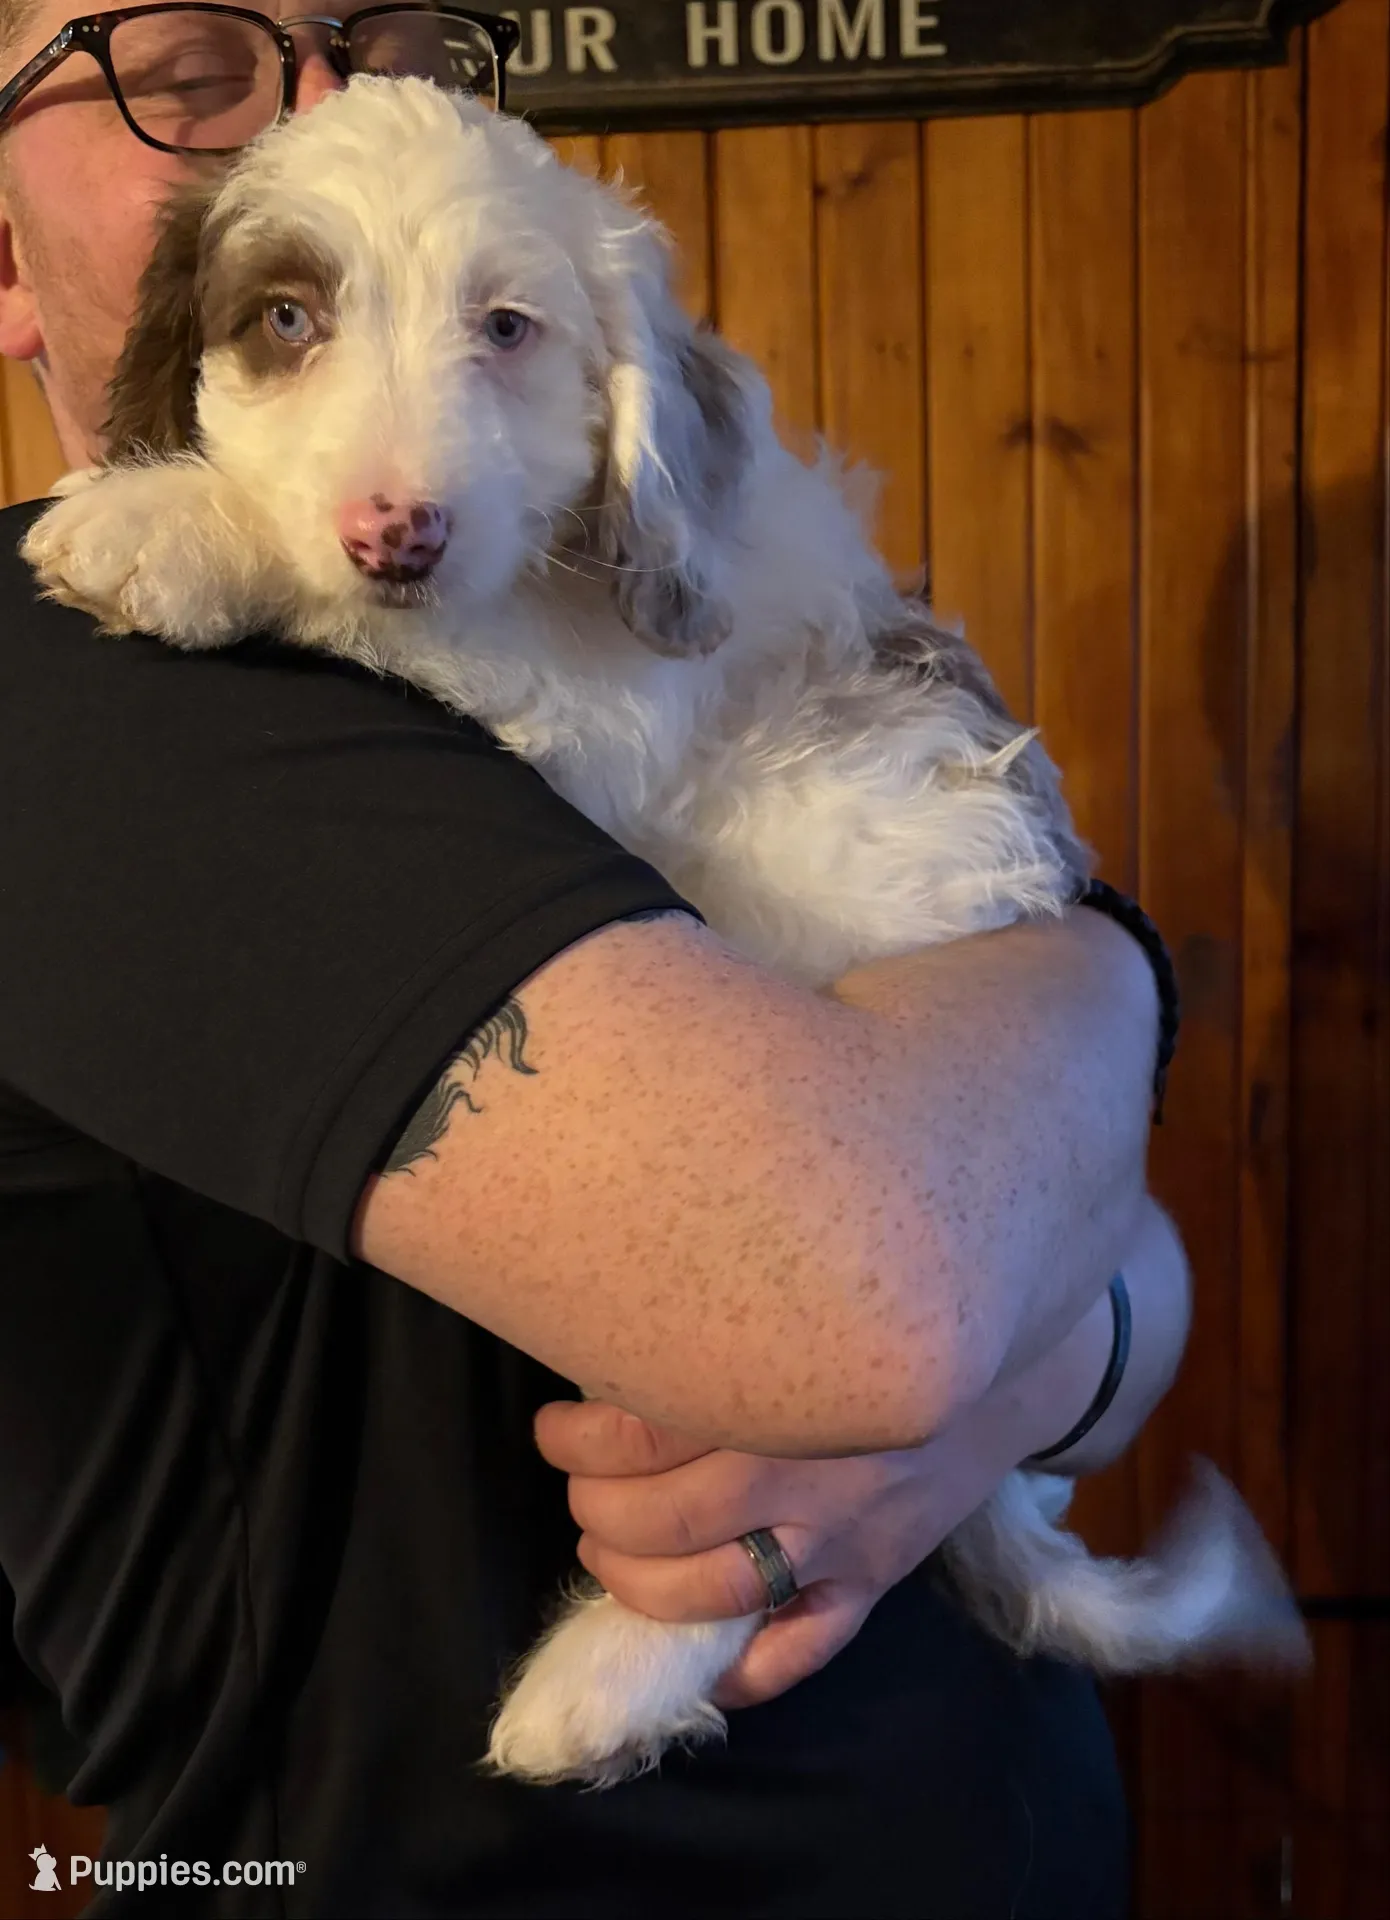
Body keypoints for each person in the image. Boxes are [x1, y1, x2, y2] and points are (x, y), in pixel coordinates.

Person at [0, 7, 1191, 1915]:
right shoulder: (70, 675)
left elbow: (1107, 1291)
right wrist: (1097, 1011)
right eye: (189, 66)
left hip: (1002, 1827)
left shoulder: (624, 594)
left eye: (384, 35)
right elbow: (907, 1277)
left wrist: (1028, 1356)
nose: (317, 107)